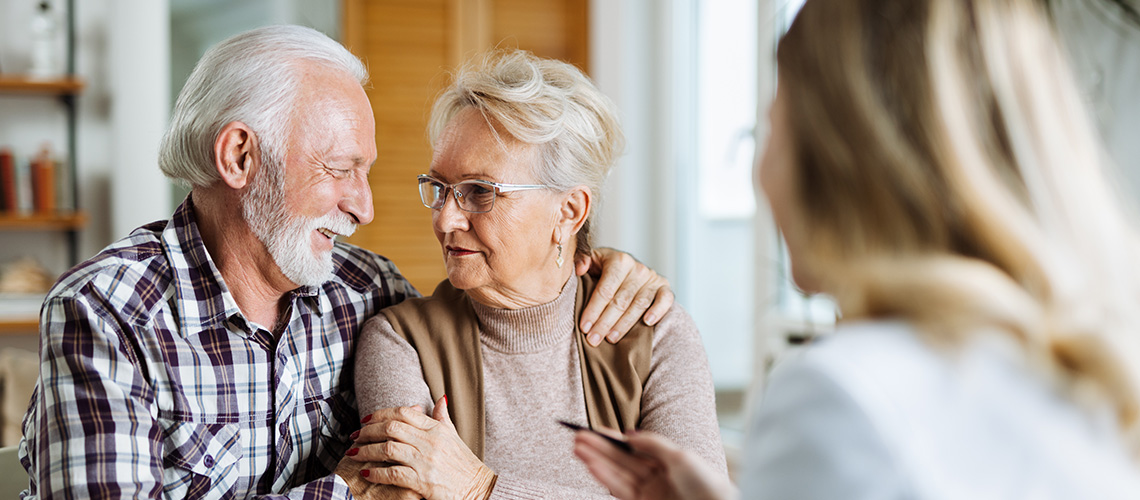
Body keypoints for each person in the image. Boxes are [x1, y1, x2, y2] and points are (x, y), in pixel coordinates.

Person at [18, 25, 673, 499]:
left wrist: (591, 265)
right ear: (240, 157)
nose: (364, 206)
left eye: (367, 172)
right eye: (339, 170)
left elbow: (504, 309)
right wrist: (341, 493)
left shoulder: (368, 292)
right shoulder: (105, 312)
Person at [574, 0, 1140, 498]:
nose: (760, 170)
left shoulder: (844, 395)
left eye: (773, 128)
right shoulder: (1087, 371)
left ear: (836, 159)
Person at [344, 49, 727, 499]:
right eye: (440, 188)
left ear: (569, 211)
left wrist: (478, 488)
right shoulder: (399, 342)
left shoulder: (655, 334)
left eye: (479, 191)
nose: (446, 219)